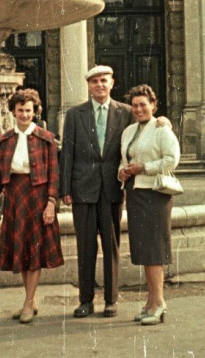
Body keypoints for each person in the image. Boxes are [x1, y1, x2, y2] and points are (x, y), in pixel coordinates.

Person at [59, 64, 133, 318]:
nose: (99, 85)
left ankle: (111, 300)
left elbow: (140, 135)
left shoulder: (126, 112)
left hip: (112, 188)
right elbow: (67, 153)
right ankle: (86, 300)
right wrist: (65, 188)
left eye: (103, 80)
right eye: (94, 81)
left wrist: (162, 122)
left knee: (111, 246)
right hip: (83, 188)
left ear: (112, 83)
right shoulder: (75, 114)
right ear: (88, 86)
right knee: (85, 247)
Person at [0, 89, 63, 323]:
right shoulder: (4, 140)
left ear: (35, 111)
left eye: (28, 110)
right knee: (21, 250)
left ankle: (28, 303)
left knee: (35, 250)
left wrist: (51, 203)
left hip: (37, 197)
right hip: (14, 196)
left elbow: (54, 174)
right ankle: (31, 299)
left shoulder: (46, 138)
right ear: (13, 111)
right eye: (20, 110)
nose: (24, 114)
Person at [118, 84, 181, 326]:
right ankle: (151, 302)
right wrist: (122, 172)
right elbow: (125, 159)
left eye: (143, 104)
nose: (138, 109)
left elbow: (172, 160)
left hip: (155, 195)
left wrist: (144, 168)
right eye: (134, 105)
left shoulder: (162, 129)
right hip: (136, 193)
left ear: (153, 105)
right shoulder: (129, 131)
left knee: (154, 251)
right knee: (144, 251)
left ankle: (159, 302)